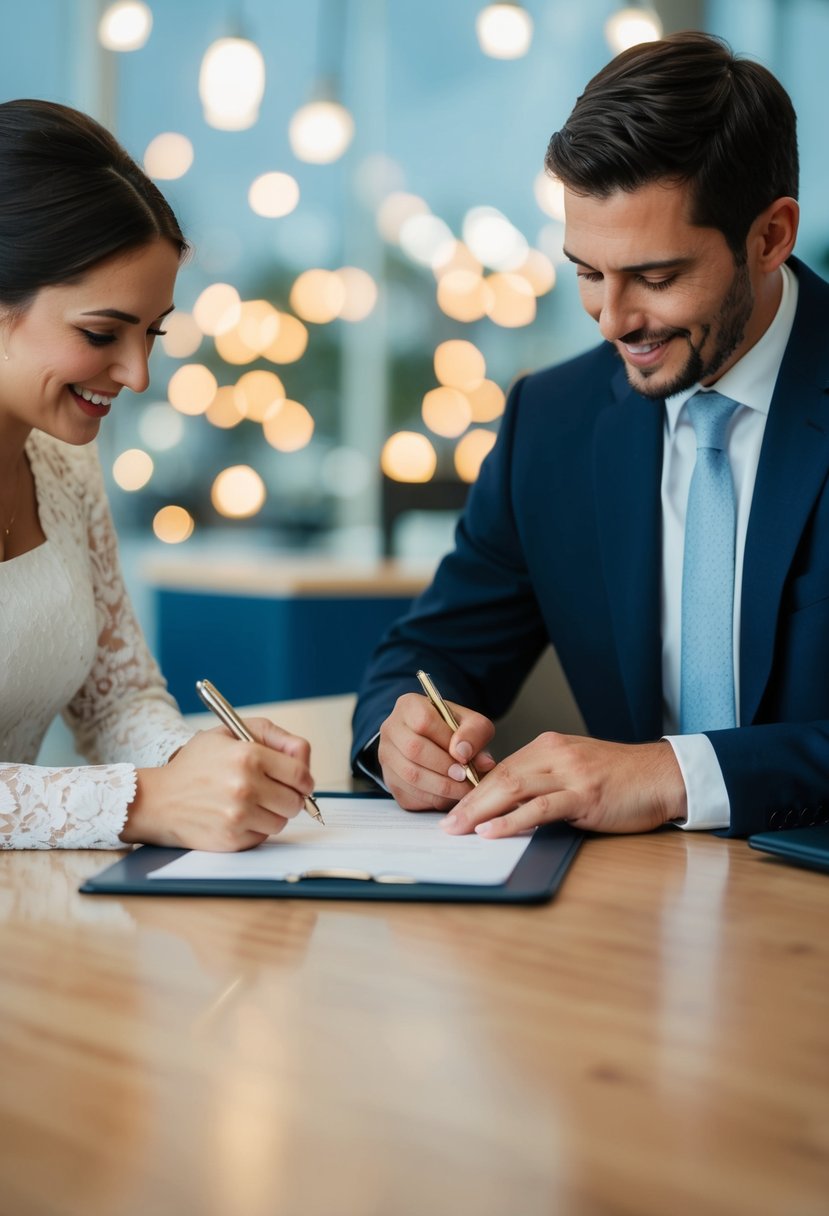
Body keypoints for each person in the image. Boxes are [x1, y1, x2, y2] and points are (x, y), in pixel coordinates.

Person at [351, 31, 829, 841]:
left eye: (656, 277)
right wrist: (401, 734)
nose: (612, 321)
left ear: (770, 237)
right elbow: (433, 649)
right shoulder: (553, 420)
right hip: (626, 917)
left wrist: (674, 773)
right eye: (585, 271)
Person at [0, 99, 315, 851]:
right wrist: (147, 799)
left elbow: (115, 702)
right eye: (102, 333)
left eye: (153, 333)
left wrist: (202, 765)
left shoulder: (65, 465)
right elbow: (135, 796)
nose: (138, 374)